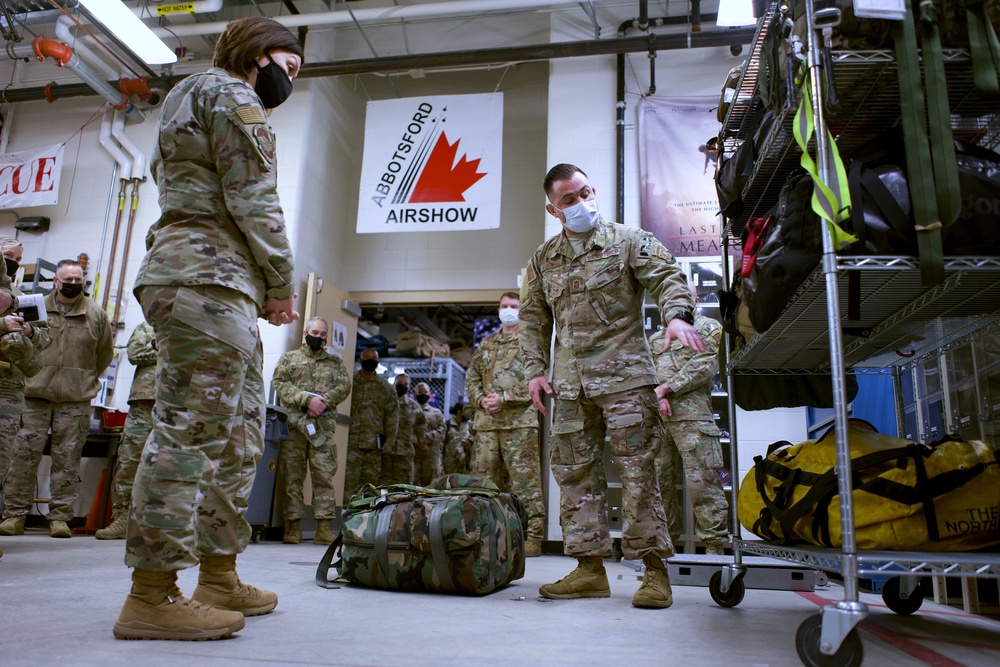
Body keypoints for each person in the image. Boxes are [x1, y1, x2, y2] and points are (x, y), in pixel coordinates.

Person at [113, 17, 303, 642]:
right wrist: (281, 281)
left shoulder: (187, 96)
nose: (288, 80)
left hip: (215, 280)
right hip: (206, 276)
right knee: (190, 433)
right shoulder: (230, 92)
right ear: (256, 54)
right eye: (287, 64)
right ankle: (151, 595)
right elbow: (254, 194)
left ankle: (219, 576)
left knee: (236, 436)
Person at [520, 163, 703, 609]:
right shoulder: (544, 259)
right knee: (574, 476)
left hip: (626, 380)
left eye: (585, 192)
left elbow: (667, 277)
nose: (581, 202)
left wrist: (676, 315)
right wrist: (534, 370)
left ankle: (654, 571)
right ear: (553, 208)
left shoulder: (628, 240)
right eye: (569, 199)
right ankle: (589, 569)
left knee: (640, 475)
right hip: (569, 386)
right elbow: (532, 318)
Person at [0, 259, 111, 540]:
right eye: (68, 279)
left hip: (74, 400)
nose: (74, 284)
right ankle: (14, 515)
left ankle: (60, 517)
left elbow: (104, 355)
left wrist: (81, 379)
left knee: (68, 461)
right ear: (56, 281)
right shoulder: (33, 305)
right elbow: (27, 339)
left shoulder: (96, 314)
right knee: (22, 458)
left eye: (78, 280)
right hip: (35, 394)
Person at [650, 282, 729, 555]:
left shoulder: (709, 328)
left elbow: (704, 365)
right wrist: (657, 395)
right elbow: (649, 374)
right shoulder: (656, 339)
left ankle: (716, 547)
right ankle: (665, 547)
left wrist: (665, 388)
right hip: (661, 421)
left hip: (694, 419)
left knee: (703, 484)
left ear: (695, 299)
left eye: (685, 296)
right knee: (660, 485)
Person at [466, 291, 545, 557]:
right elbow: (472, 377)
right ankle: (486, 535)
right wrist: (480, 400)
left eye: (513, 306)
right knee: (484, 483)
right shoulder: (487, 343)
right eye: (503, 306)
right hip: (486, 425)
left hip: (519, 424)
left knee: (525, 482)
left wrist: (504, 399)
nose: (507, 310)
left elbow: (537, 380)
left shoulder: (530, 341)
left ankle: (532, 537)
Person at [272, 317, 351, 546]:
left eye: (323, 334)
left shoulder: (335, 362)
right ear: (305, 333)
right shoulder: (289, 359)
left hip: (322, 428)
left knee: (324, 476)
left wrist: (323, 402)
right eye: (315, 332)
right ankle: (293, 527)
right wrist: (307, 400)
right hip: (294, 426)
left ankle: (323, 528)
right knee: (292, 476)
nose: (319, 337)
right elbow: (280, 383)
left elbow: (344, 386)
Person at [0, 237, 52, 559]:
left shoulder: (24, 298)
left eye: (16, 259)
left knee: (2, 461)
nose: (10, 264)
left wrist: (30, 332)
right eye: (6, 257)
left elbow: (45, 337)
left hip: (8, 388)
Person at [96, 321, 156, 540]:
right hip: (144, 401)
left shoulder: (195, 323)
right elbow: (135, 352)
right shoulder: (148, 326)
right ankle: (123, 517)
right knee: (130, 460)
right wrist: (164, 346)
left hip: (182, 404)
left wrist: (156, 347)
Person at [344, 349, 397, 501]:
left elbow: (392, 415)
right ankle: (347, 518)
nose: (371, 360)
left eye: (374, 358)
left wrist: (390, 441)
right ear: (360, 360)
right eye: (367, 358)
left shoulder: (385, 387)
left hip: (375, 445)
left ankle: (366, 518)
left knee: (370, 486)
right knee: (348, 483)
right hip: (351, 443)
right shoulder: (350, 383)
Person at [380, 373, 425, 485]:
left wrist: (417, 438)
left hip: (404, 455)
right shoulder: (385, 402)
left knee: (403, 488)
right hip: (385, 454)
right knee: (383, 488)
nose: (402, 386)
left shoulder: (413, 406)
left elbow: (422, 423)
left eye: (405, 384)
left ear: (409, 387)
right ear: (394, 384)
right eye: (399, 383)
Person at [413, 382, 445, 486]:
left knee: (431, 486)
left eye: (425, 392)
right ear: (415, 394)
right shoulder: (410, 411)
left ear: (429, 394)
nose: (423, 394)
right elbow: (406, 430)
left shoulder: (436, 413)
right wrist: (419, 443)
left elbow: (442, 430)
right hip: (414, 455)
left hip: (431, 455)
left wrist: (424, 439)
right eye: (420, 392)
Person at [442, 401, 471, 475]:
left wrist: (468, 444)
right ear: (459, 412)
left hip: (464, 465)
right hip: (449, 465)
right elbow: (441, 444)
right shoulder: (447, 425)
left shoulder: (470, 427)